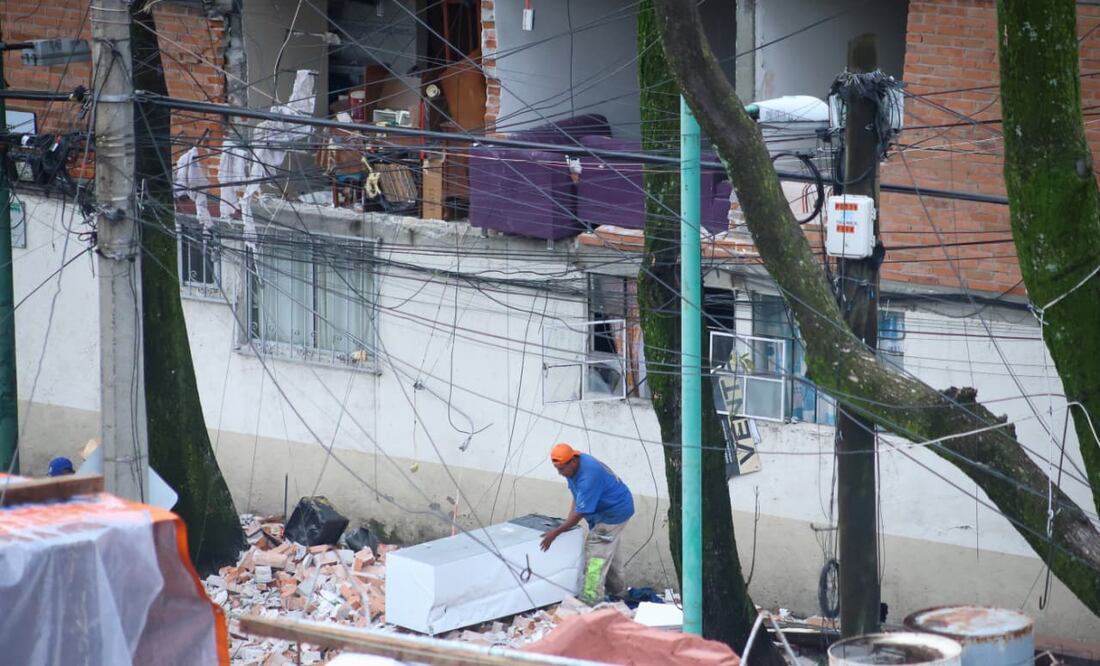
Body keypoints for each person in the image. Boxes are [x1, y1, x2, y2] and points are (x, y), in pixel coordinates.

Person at [539, 442, 634, 605]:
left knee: (596, 552)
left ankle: (590, 600)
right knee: (609, 552)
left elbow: (579, 513)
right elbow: (577, 498)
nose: (560, 474)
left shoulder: (588, 476)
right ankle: (619, 593)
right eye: (557, 469)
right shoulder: (574, 469)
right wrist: (566, 524)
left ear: (573, 461)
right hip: (610, 509)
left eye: (561, 469)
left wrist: (557, 532)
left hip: (613, 513)